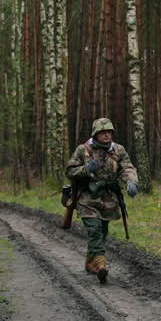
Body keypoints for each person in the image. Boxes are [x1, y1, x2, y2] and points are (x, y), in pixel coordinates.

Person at [66, 118, 139, 283]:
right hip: (87, 197)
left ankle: (90, 262)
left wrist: (131, 182)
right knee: (94, 230)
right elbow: (69, 171)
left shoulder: (118, 150)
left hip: (108, 199)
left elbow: (127, 168)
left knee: (103, 231)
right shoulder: (83, 150)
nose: (106, 134)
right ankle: (100, 265)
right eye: (102, 132)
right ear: (95, 134)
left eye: (109, 131)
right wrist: (85, 169)